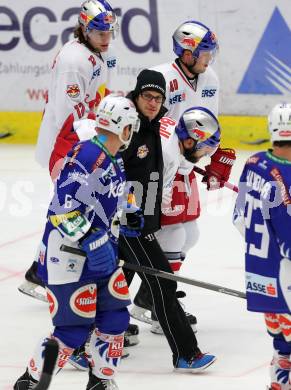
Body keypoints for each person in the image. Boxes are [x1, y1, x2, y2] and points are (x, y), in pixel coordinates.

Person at [13, 95, 141, 390]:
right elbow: (61, 209)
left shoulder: (114, 158)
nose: (131, 134)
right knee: (72, 331)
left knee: (115, 318)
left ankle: (100, 381)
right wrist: (90, 239)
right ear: (123, 127)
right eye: (130, 127)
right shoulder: (85, 154)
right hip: (68, 254)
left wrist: (129, 211)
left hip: (101, 255)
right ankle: (30, 382)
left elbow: (114, 192)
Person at [131, 20, 236, 330]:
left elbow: (209, 121)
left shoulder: (210, 78)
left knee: (190, 235)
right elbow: (143, 119)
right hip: (160, 165)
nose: (209, 58)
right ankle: (160, 302)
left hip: (184, 164)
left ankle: (149, 297)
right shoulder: (162, 77)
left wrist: (212, 153)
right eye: (204, 52)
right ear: (187, 52)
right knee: (172, 234)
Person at [19, 0, 119, 301]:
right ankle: (41, 274)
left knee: (77, 204)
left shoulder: (101, 53)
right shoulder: (73, 61)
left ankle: (42, 271)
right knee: (68, 206)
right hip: (63, 141)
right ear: (84, 29)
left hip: (79, 135)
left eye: (109, 31)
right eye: (99, 31)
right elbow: (68, 115)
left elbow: (100, 97)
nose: (106, 37)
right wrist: (88, 146)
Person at [119, 68, 216, 371]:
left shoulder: (163, 127)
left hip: (141, 221)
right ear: (136, 95)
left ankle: (94, 339)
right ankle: (187, 353)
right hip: (124, 222)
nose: (152, 102)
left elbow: (171, 171)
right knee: (161, 285)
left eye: (158, 98)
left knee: (115, 281)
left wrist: (209, 165)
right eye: (147, 96)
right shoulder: (126, 126)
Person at [233, 102, 291, 390]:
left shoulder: (253, 162)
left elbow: (238, 217)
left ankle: (278, 385)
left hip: (259, 272)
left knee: (282, 342)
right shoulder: (287, 175)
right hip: (285, 276)